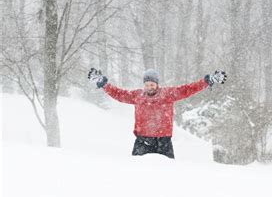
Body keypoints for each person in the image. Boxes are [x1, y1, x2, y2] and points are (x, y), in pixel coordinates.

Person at [87, 67, 226, 158]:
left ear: (157, 84)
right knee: (136, 174)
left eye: (152, 84)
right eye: (147, 84)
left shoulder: (167, 94)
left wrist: (207, 82)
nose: (149, 87)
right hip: (142, 142)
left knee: (167, 177)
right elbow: (119, 94)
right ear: (144, 85)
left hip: (163, 142)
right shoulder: (138, 95)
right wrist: (105, 85)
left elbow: (188, 89)